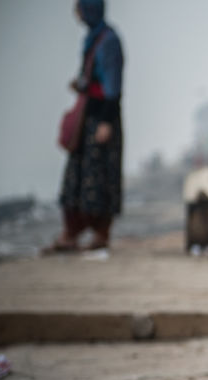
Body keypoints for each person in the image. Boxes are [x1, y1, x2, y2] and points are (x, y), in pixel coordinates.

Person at [46, 0, 124, 253]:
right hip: (87, 119)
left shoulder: (108, 42)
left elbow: (113, 87)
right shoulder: (93, 40)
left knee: (99, 178)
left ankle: (100, 233)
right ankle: (73, 232)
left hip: (101, 119)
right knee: (78, 178)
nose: (77, 15)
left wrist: (105, 121)